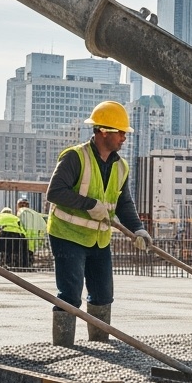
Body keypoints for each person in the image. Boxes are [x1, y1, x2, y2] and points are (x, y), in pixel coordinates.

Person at [45, 101, 152, 346]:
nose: (124, 137)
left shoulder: (121, 167)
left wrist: (138, 229)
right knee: (70, 295)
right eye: (120, 132)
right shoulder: (75, 157)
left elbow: (124, 203)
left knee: (103, 295)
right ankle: (63, 347)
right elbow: (55, 192)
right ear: (103, 131)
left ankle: (99, 344)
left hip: (99, 240)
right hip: (68, 235)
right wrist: (90, 205)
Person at [15, 198, 47, 266]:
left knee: (23, 255)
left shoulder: (21, 212)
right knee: (29, 255)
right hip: (32, 239)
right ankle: (28, 266)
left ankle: (24, 266)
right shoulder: (34, 214)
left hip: (23, 238)